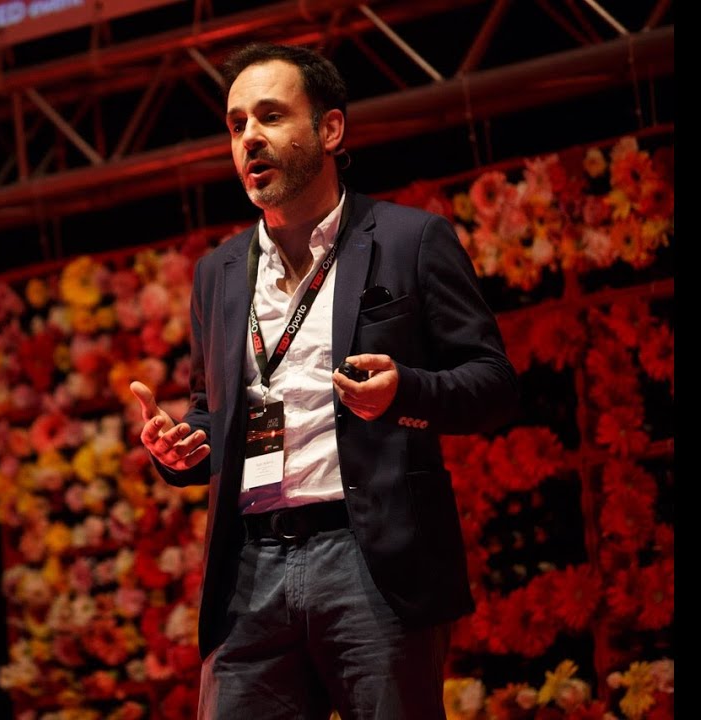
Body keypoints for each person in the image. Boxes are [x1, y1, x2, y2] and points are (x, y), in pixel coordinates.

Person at [129, 42, 518, 719]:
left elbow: (493, 384)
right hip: (249, 571)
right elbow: (212, 413)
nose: (250, 137)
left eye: (271, 116)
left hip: (369, 562)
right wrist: (184, 446)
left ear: (331, 130)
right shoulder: (218, 273)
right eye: (236, 123)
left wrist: (408, 390)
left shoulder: (408, 240)